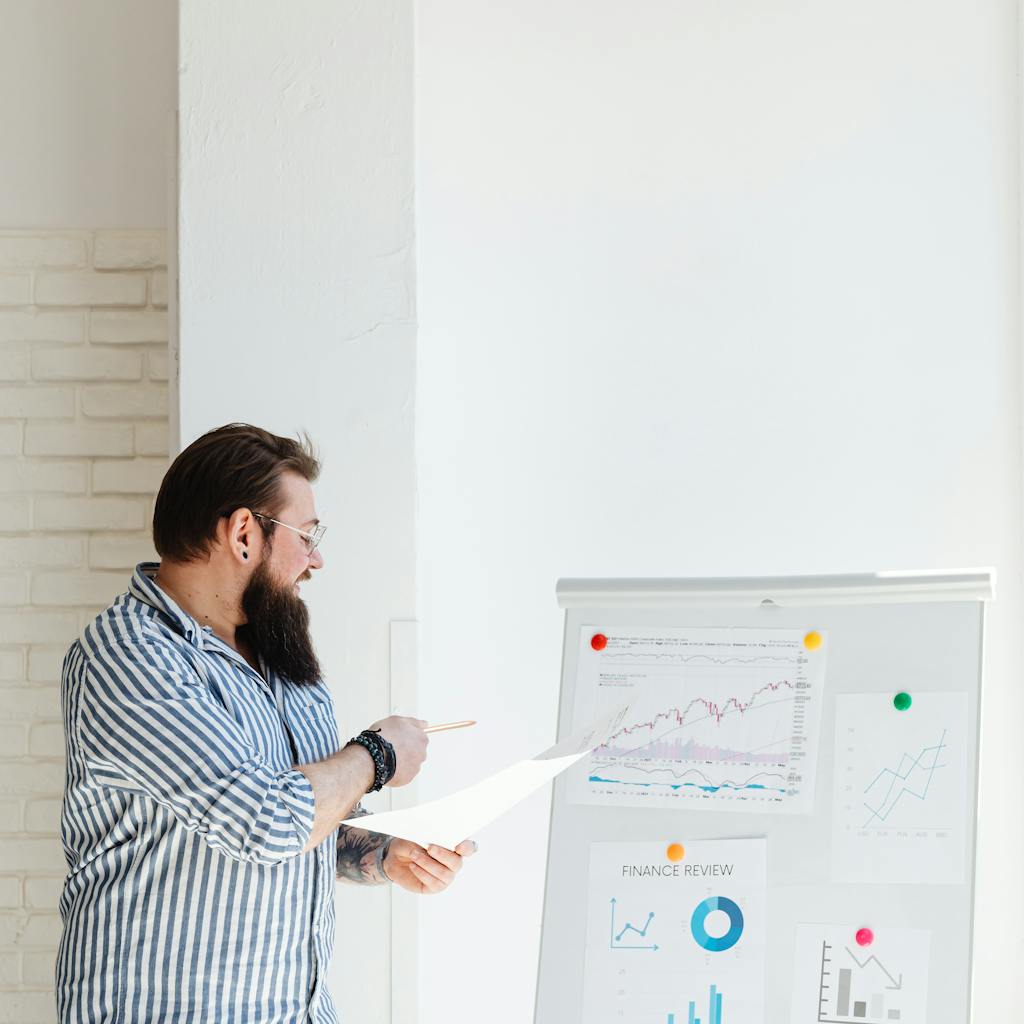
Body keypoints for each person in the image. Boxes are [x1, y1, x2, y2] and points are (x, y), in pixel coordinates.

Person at [55, 423, 475, 1023]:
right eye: (307, 535)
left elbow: (312, 823)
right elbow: (264, 822)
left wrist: (386, 854)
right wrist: (376, 756)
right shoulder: (127, 656)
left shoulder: (281, 655)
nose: (317, 558)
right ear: (245, 533)